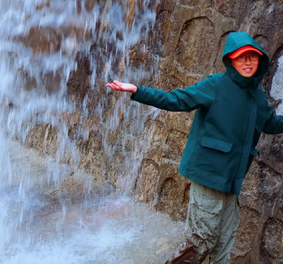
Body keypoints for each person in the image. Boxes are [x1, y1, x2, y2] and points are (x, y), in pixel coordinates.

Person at [107, 31, 283, 264]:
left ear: (260, 60)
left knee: (223, 243)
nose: (248, 62)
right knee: (201, 240)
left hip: (232, 179)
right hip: (208, 172)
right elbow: (176, 100)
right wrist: (138, 91)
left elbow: (270, 123)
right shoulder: (216, 85)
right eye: (242, 57)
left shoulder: (258, 96)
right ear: (230, 60)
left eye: (252, 57)